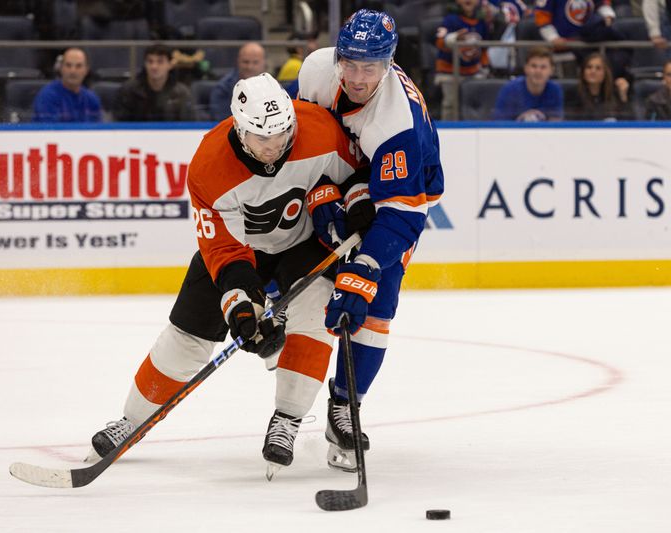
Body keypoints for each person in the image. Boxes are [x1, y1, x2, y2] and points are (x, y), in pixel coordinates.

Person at [88, 73, 368, 479]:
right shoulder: (209, 165)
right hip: (240, 249)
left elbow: (359, 173)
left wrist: (356, 202)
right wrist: (242, 311)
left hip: (304, 241)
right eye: (262, 139)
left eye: (284, 134)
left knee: (313, 314)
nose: (275, 147)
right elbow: (224, 249)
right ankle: (132, 421)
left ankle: (287, 419)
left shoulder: (320, 131)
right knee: (187, 334)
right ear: (239, 128)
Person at [297, 9, 445, 472]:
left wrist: (361, 274)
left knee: (375, 307)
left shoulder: (397, 123)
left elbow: (402, 214)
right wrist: (323, 191)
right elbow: (301, 143)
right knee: (298, 255)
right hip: (348, 170)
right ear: (338, 58)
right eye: (351, 65)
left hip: (400, 194)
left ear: (389, 63)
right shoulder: (317, 71)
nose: (358, 79)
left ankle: (344, 402)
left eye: (371, 67)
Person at [534, 0, 631, 80]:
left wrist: (608, 16)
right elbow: (542, 16)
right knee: (570, 85)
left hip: (590, 46)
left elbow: (601, 5)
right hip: (565, 49)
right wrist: (553, 37)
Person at [434, 0, 491, 120]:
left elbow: (484, 48)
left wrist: (485, 68)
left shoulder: (482, 22)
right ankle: (448, 129)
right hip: (450, 72)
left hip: (474, 72)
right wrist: (454, 38)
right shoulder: (450, 20)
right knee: (450, 104)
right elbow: (440, 41)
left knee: (475, 103)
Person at [113, 43, 196, 121]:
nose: (154, 66)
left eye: (160, 62)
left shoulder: (181, 93)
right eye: (150, 61)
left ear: (170, 64)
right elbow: (119, 125)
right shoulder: (129, 91)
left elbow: (189, 125)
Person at [491, 46, 564, 121]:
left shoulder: (554, 90)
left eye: (543, 67)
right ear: (526, 68)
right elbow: (500, 125)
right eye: (534, 66)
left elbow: (556, 124)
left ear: (551, 70)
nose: (538, 71)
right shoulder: (510, 90)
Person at [32, 47, 102, 123]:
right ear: (61, 68)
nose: (73, 71)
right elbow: (49, 131)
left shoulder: (91, 99)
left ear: (86, 70)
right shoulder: (47, 96)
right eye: (68, 65)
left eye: (78, 66)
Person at [209, 42, 267, 122]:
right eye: (245, 62)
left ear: (263, 62)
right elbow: (223, 122)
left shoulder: (273, 86)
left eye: (255, 62)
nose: (250, 67)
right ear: (238, 61)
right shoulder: (223, 88)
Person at [569, 51, 630, 120]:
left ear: (605, 73)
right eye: (589, 67)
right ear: (583, 71)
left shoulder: (614, 94)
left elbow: (627, 125)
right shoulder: (573, 94)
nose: (593, 71)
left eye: (598, 68)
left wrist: (623, 96)